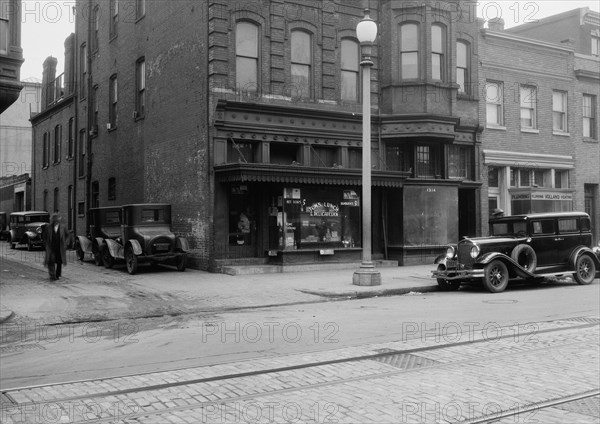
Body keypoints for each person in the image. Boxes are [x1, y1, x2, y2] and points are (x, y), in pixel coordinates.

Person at [44, 213, 69, 281]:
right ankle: (52, 275)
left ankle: (58, 274)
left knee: (59, 261)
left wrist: (65, 243)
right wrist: (46, 245)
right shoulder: (48, 227)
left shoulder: (63, 227)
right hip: (51, 247)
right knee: (51, 260)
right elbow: (45, 237)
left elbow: (67, 235)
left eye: (57, 220)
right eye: (54, 220)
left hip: (60, 247)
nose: (56, 221)